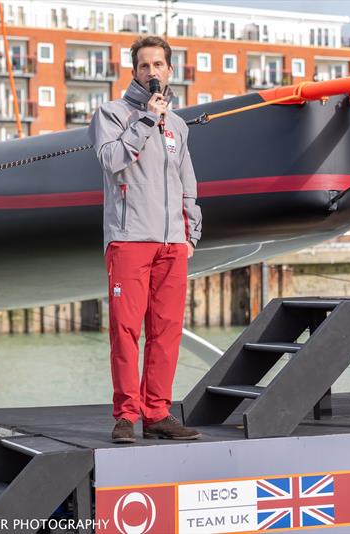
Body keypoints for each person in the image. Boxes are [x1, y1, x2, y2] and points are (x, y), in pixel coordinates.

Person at [88, 36, 203, 443]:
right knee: (125, 329)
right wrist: (146, 120)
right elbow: (112, 161)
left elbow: (186, 180)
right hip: (130, 238)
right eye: (144, 66)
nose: (152, 72)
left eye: (159, 65)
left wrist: (191, 232)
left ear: (170, 71)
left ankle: (157, 413)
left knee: (166, 329)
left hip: (172, 243)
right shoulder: (112, 114)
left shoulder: (178, 125)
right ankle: (125, 415)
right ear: (133, 72)